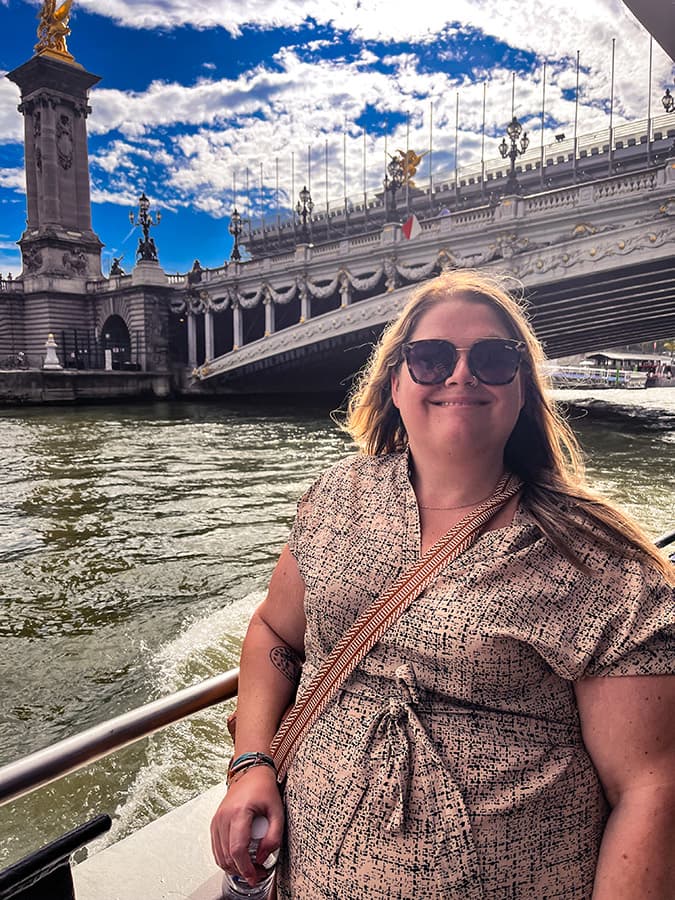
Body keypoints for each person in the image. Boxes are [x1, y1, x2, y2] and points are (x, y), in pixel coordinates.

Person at [211, 269, 674, 899]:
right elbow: (274, 630)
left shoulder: (599, 559)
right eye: (430, 358)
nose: (460, 375)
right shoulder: (337, 498)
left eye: (492, 359)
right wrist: (253, 762)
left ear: (522, 391)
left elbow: (650, 787)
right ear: (395, 384)